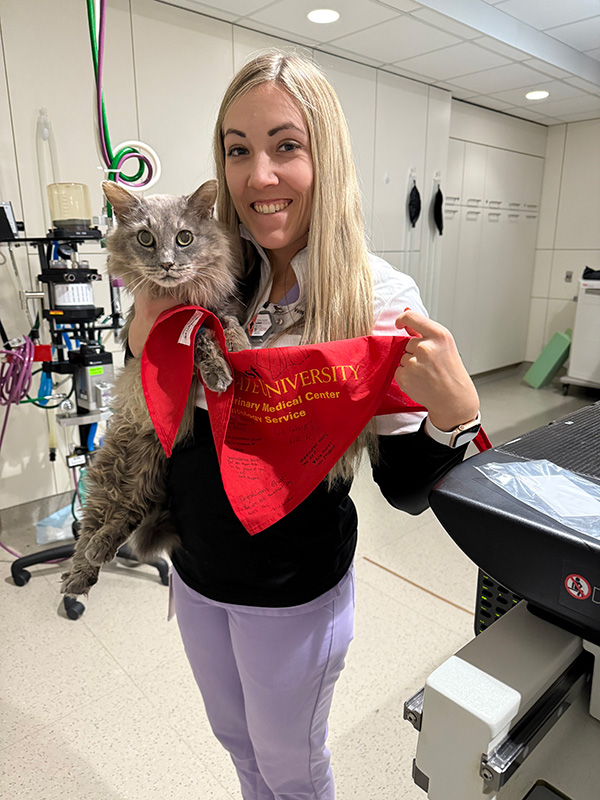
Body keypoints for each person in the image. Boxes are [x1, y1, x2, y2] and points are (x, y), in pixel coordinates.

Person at [128, 50, 480, 800]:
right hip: (195, 570)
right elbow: (169, 416)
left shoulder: (377, 298)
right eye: (237, 150)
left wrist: (457, 416)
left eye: (286, 146)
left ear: (327, 153)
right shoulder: (209, 269)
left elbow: (406, 491)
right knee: (236, 746)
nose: (259, 176)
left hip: (289, 591)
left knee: (290, 765)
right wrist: (142, 348)